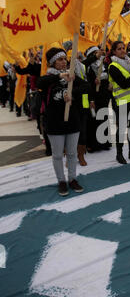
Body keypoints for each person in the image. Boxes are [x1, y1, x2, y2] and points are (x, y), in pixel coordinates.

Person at [37, 47, 90, 196]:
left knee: (72, 153)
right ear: (53, 63)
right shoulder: (48, 78)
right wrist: (61, 76)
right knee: (58, 155)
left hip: (72, 122)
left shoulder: (72, 76)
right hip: (54, 123)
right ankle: (61, 181)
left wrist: (71, 93)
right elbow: (40, 83)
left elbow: (87, 86)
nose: (64, 61)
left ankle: (72, 179)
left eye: (64, 59)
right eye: (60, 59)